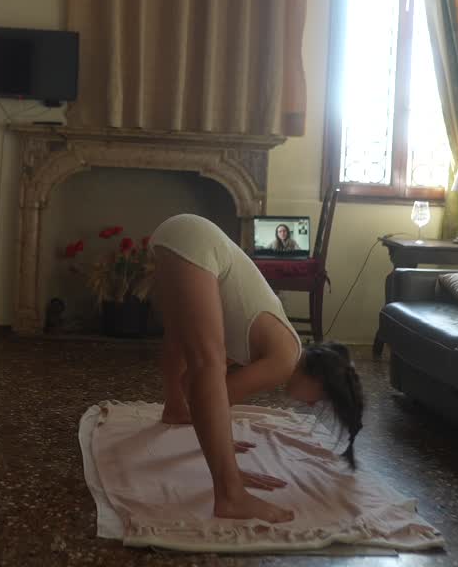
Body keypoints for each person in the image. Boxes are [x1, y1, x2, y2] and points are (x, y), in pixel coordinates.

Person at [149, 214, 364, 524]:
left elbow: (197, 393)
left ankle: (173, 409)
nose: (311, 404)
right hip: (196, 243)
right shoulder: (284, 361)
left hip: (182, 232)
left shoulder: (277, 344)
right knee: (207, 361)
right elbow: (210, 395)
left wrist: (213, 431)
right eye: (320, 398)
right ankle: (230, 494)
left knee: (185, 340)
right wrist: (227, 462)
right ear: (318, 378)